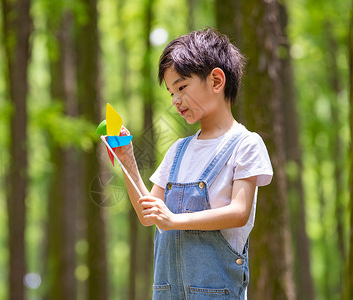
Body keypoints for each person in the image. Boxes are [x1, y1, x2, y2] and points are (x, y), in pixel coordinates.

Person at [115, 28, 273, 300]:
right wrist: (127, 160)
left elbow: (239, 211)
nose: (175, 101)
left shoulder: (246, 144)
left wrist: (174, 220)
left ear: (216, 80)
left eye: (182, 87)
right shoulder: (178, 151)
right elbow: (148, 215)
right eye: (171, 93)